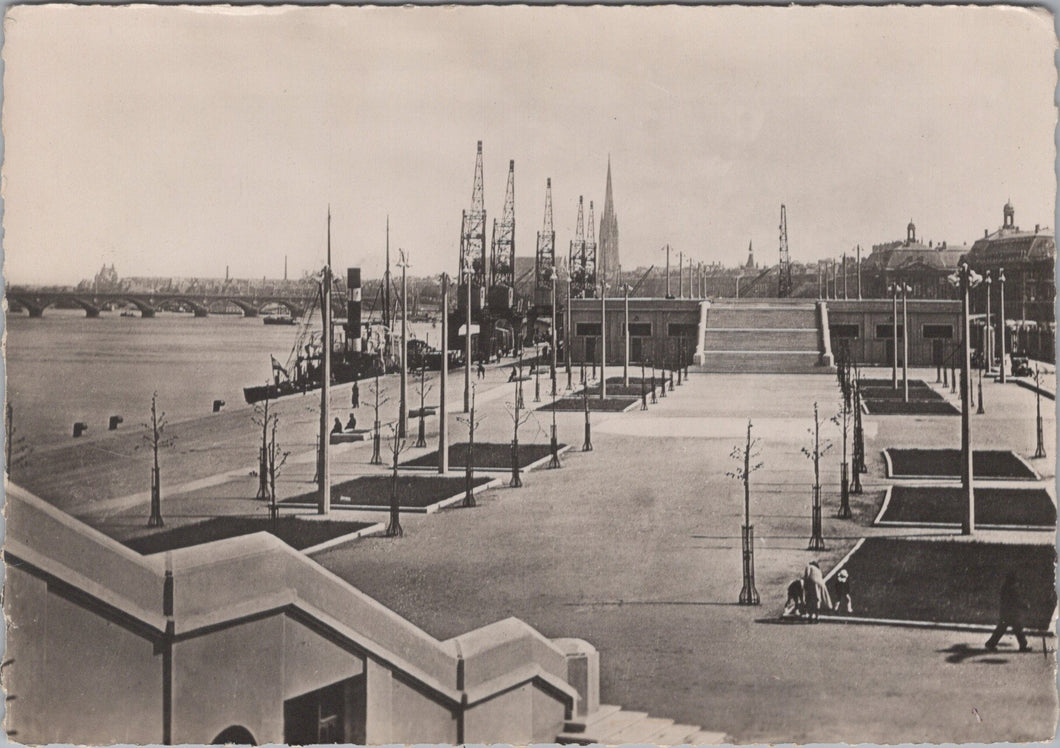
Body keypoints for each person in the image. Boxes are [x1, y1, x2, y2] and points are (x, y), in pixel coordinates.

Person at [986, 572, 1032, 652]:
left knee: (1002, 629)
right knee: (1017, 629)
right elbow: (1016, 601)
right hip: (1011, 614)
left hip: (1006, 612)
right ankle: (1023, 646)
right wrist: (1025, 605)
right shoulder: (1012, 589)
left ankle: (991, 643)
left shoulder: (1005, 587)